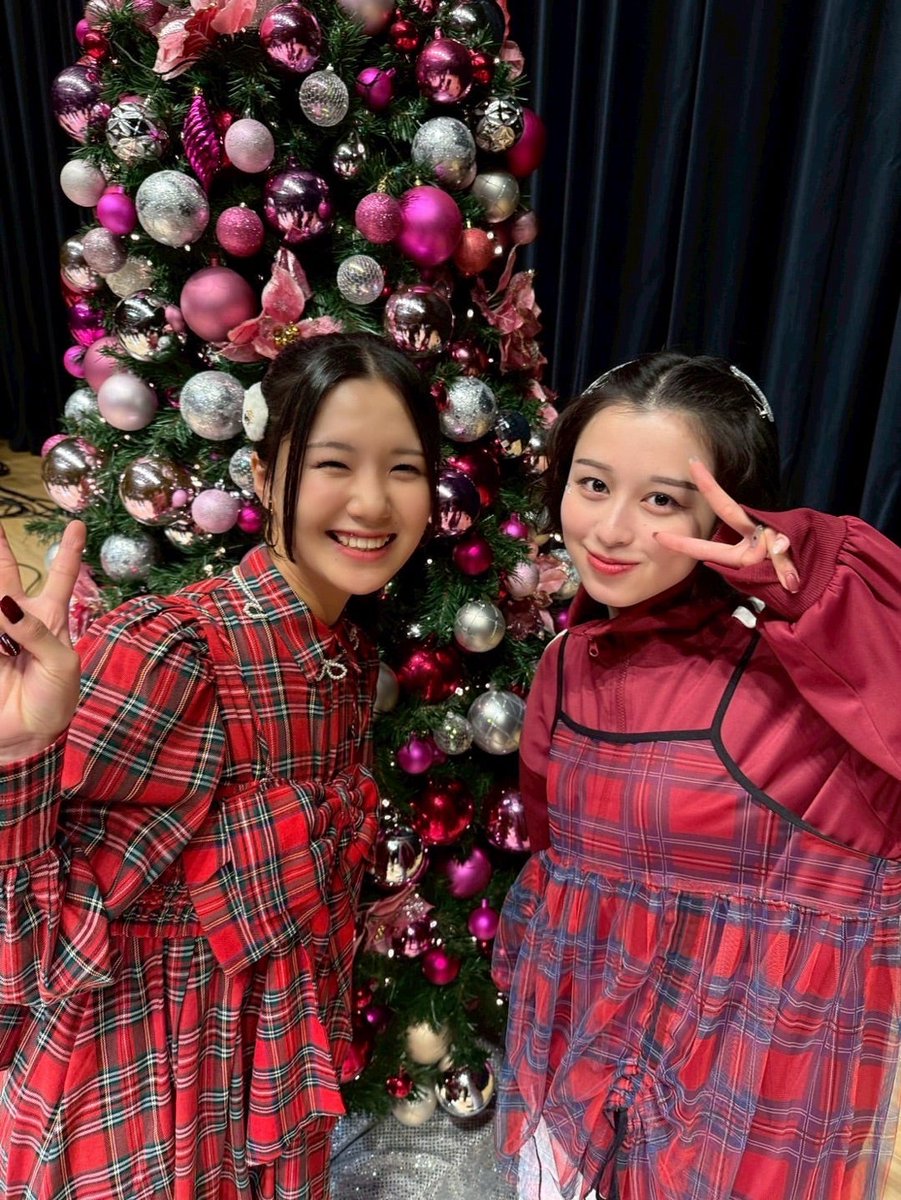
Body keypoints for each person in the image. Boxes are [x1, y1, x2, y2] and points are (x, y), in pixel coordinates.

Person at [0, 330, 439, 1200]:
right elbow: (29, 950)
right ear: (266, 476)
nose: (371, 502)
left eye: (404, 469)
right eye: (332, 464)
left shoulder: (343, 656)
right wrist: (15, 752)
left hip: (265, 1095)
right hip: (138, 1102)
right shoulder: (176, 651)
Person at [491, 351, 901, 1200]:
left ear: (732, 510)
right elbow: (553, 863)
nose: (609, 530)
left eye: (661, 501)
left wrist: (821, 577)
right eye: (592, 485)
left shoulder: (812, 677)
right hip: (583, 1075)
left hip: (757, 1097)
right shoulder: (566, 662)